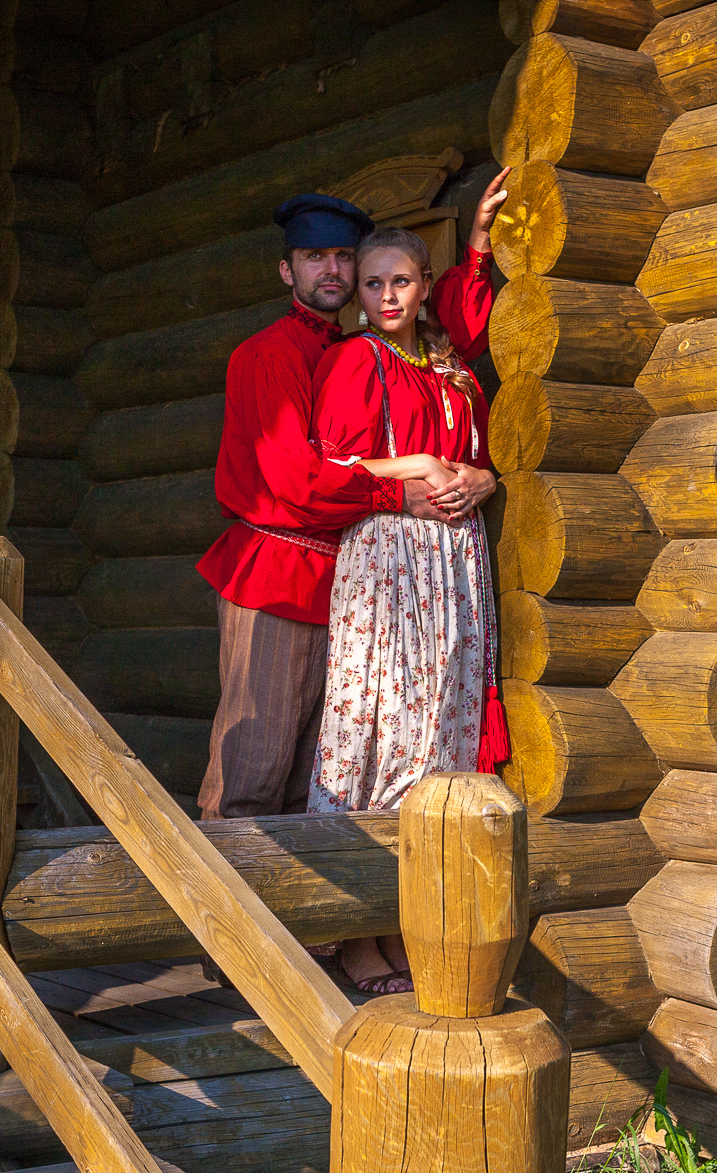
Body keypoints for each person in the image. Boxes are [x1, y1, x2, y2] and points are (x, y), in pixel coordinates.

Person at [195, 180, 505, 823]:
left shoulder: (344, 348)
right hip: (278, 571)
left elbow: (458, 330)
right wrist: (402, 487)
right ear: (288, 269)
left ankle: (302, 923)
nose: (331, 270)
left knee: (316, 776)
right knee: (256, 764)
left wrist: (478, 245)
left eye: (343, 257)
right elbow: (299, 481)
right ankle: (230, 914)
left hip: (343, 577)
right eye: (315, 259)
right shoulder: (268, 354)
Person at [306, 225, 504, 992]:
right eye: (372, 286)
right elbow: (331, 461)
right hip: (389, 555)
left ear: (425, 285)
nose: (386, 299)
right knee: (377, 730)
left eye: (401, 284)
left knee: (434, 739)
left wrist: (483, 480)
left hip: (453, 562)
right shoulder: (357, 359)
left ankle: (400, 924)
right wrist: (419, 463)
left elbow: (478, 453)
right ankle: (355, 934)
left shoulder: (450, 366)